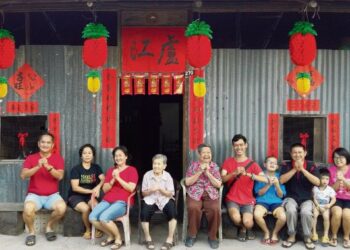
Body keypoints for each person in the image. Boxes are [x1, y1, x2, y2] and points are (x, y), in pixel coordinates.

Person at [20, 132, 66, 246]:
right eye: (43, 142)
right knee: (28, 208)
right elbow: (23, 175)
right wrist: (38, 166)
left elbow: (60, 176)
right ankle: (31, 232)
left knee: (61, 208)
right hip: (34, 195)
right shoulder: (31, 158)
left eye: (48, 142)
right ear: (39, 144)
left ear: (52, 145)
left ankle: (49, 227)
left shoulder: (57, 158)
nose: (45, 144)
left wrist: (48, 167)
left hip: (52, 195)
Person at [89, 146, 138, 250]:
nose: (118, 157)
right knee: (92, 217)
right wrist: (112, 180)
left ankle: (118, 239)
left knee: (104, 217)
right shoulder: (111, 170)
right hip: (107, 200)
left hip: (122, 201)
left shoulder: (132, 170)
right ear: (113, 158)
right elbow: (105, 190)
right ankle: (112, 236)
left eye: (120, 155)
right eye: (116, 156)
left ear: (126, 157)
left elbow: (131, 188)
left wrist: (118, 178)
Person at [221, 134, 267, 242]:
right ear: (233, 147)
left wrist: (249, 175)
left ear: (246, 145)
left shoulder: (252, 164)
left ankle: (247, 227)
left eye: (241, 145)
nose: (239, 148)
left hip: (248, 200)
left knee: (248, 222)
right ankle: (242, 229)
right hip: (232, 198)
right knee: (236, 218)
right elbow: (222, 179)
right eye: (236, 145)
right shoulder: (228, 162)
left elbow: (264, 179)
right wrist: (233, 173)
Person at [280, 143, 320, 250]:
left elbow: (317, 182)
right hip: (291, 197)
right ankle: (292, 236)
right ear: (291, 154)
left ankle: (307, 237)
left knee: (306, 212)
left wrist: (302, 169)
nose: (297, 155)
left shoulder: (311, 165)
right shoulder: (286, 165)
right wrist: (294, 169)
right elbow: (281, 180)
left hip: (307, 198)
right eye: (294, 152)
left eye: (300, 152)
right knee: (291, 210)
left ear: (305, 153)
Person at [184, 144, 222, 249]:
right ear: (199, 154)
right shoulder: (193, 166)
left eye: (209, 152)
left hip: (210, 193)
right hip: (195, 193)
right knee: (193, 207)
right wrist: (200, 171)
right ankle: (192, 235)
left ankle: (212, 237)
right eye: (204, 152)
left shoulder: (214, 166)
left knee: (215, 208)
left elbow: (218, 184)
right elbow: (187, 182)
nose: (207, 155)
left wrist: (208, 173)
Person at [67, 144, 105, 239]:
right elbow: (75, 187)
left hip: (90, 195)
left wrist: (98, 187)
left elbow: (103, 179)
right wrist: (91, 190)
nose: (87, 155)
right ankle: (88, 229)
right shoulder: (76, 169)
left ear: (93, 155)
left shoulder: (96, 167)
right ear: (81, 156)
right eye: (84, 153)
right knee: (85, 209)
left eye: (89, 153)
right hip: (75, 196)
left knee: (96, 206)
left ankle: (97, 228)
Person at [140, 154, 177, 250]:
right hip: (150, 198)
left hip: (164, 198)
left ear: (164, 166)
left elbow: (170, 194)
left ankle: (169, 239)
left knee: (172, 212)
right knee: (144, 212)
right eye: (154, 163)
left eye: (159, 164)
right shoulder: (147, 175)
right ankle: (148, 239)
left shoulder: (167, 176)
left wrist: (161, 189)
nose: (156, 166)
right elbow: (143, 193)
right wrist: (151, 190)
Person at [254, 156, 286, 245]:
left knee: (283, 217)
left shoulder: (280, 177)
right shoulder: (260, 176)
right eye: (270, 162)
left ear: (277, 167)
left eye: (274, 163)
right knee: (257, 215)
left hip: (276, 202)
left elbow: (281, 195)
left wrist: (276, 185)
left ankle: (275, 233)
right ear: (264, 164)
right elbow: (259, 193)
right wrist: (268, 184)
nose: (272, 164)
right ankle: (266, 232)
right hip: (262, 201)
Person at [329, 147, 350, 248]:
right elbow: (331, 191)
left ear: (347, 158)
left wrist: (344, 180)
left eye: (341, 157)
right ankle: (334, 236)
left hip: (349, 199)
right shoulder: (331, 170)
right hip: (335, 198)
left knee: (347, 214)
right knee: (337, 213)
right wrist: (338, 180)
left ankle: (346, 237)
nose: (338, 160)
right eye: (336, 158)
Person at [311, 168, 336, 246]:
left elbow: (334, 199)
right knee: (314, 215)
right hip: (317, 206)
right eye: (323, 179)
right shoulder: (315, 188)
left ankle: (325, 235)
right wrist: (317, 205)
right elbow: (314, 198)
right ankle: (314, 232)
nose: (325, 181)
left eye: (327, 179)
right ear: (319, 179)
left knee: (326, 217)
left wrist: (329, 205)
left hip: (325, 207)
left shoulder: (330, 189)